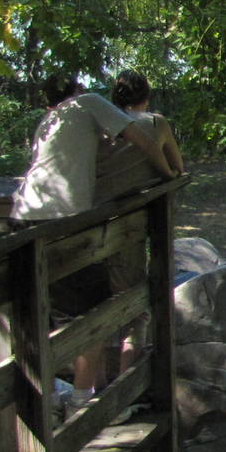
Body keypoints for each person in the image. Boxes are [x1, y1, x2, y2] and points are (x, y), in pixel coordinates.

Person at [10, 74, 180, 413]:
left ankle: (58, 397)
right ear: (80, 90)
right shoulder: (88, 103)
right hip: (64, 219)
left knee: (50, 314)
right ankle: (83, 404)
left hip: (24, 215)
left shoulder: (49, 120)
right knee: (92, 314)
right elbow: (142, 140)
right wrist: (169, 174)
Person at [95, 69, 184, 374]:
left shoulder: (99, 128)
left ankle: (91, 390)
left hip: (85, 224)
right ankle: (125, 390)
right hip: (126, 227)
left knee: (95, 309)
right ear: (146, 96)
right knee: (134, 309)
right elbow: (177, 168)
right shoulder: (156, 123)